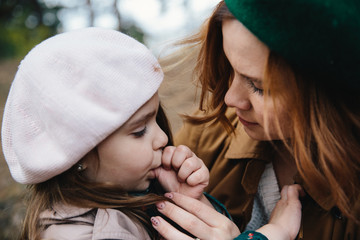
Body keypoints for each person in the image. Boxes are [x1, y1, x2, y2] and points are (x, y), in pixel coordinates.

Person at [152, 0, 360, 239]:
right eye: (229, 68)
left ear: (331, 95)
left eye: (259, 87)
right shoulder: (206, 135)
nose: (230, 98)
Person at [1, 27, 211, 240]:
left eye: (155, 119)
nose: (163, 138)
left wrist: (185, 204)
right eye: (139, 131)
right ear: (78, 156)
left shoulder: (128, 197)